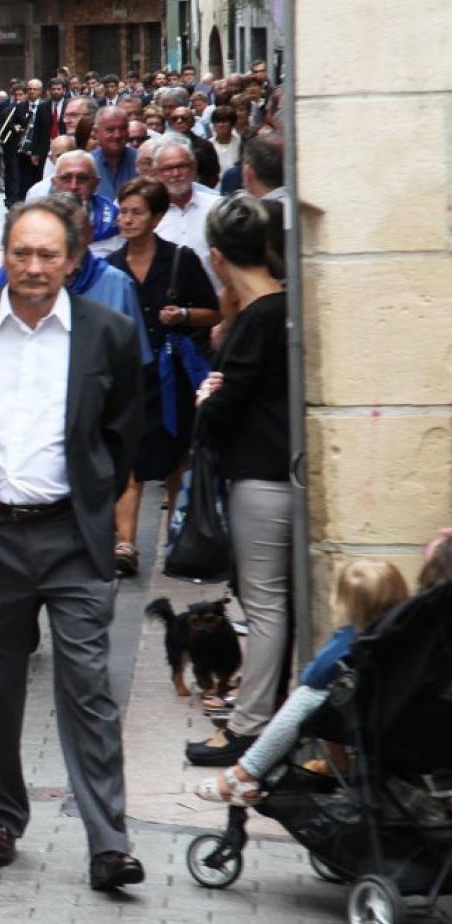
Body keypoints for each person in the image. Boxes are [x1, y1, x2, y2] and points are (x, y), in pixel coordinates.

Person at [0, 194, 145, 891]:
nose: (32, 266)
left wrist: (96, 505)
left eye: (48, 254)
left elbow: (122, 433)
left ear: (73, 262)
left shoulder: (109, 333)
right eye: (21, 252)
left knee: (88, 689)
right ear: (3, 255)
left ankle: (109, 843)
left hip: (72, 537)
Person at [186, 195, 293, 768]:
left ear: (218, 258)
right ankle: (264, 717)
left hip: (261, 475)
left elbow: (224, 409)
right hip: (276, 470)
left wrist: (209, 398)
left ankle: (250, 730)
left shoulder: (259, 317)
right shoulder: (279, 308)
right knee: (272, 604)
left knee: (264, 604)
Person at [196, 559, 413, 805]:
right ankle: (339, 763)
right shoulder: (407, 634)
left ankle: (246, 773)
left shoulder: (352, 639)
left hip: (367, 716)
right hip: (398, 713)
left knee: (310, 695)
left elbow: (314, 675)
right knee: (337, 691)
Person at [104, 178, 220, 576]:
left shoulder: (179, 260)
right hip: (130, 379)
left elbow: (213, 312)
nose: (127, 220)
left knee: (176, 459)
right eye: (123, 212)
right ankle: (125, 544)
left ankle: (178, 538)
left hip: (173, 378)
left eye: (136, 212)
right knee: (129, 461)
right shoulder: (112, 267)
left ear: (156, 218)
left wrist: (183, 315)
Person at [147, 135, 224, 288]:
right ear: (156, 173)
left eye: (181, 166)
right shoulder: (148, 213)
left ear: (194, 168)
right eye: (168, 169)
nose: (176, 174)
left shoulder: (217, 207)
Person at [90, 107, 137, 201]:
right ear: (96, 132)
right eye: (110, 130)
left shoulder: (141, 162)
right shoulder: (87, 164)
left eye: (122, 129)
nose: (117, 135)